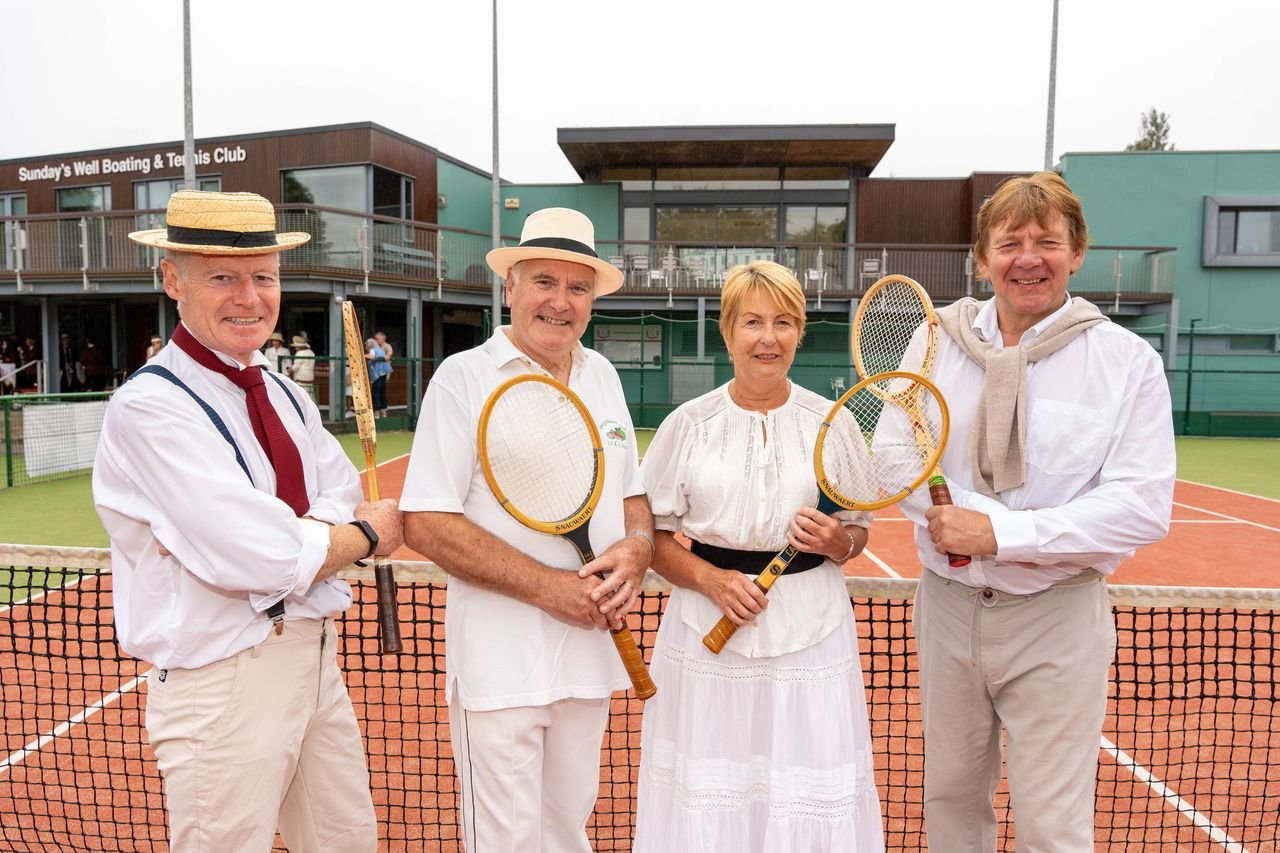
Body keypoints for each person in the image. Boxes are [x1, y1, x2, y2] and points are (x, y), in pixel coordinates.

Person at [93, 189, 403, 852]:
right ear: (172, 279)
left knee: (349, 842)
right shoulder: (148, 407)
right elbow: (258, 555)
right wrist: (367, 535)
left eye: (263, 276)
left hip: (318, 661)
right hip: (224, 681)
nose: (249, 296)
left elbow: (337, 492)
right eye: (223, 277)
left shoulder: (286, 392)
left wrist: (306, 534)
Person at [906, 172, 1175, 852]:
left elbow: (1142, 504)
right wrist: (960, 519)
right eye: (1010, 242)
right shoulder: (932, 341)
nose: (1029, 258)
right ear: (983, 257)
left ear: (1077, 253)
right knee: (951, 804)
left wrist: (1000, 532)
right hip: (947, 608)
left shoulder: (1128, 362)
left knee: (1053, 826)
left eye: (1047, 241)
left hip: (1058, 616)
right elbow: (892, 457)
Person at [399, 207, 654, 853]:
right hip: (500, 663)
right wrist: (549, 588)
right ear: (510, 286)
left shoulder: (604, 374)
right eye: (544, 281)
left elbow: (632, 494)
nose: (560, 302)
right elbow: (426, 521)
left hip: (589, 659)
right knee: (506, 841)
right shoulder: (462, 377)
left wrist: (638, 547)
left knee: (567, 832)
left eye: (578, 287)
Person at [632, 260, 883, 852]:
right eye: (752, 322)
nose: (768, 338)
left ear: (799, 332)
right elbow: (652, 540)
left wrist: (836, 542)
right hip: (706, 631)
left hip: (812, 631)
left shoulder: (834, 423)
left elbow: (858, 531)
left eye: (783, 322)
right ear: (727, 332)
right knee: (710, 786)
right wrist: (712, 581)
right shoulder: (687, 425)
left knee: (803, 789)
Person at [366, 334, 391, 417]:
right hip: (383, 373)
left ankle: (376, 411)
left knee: (375, 393)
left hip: (376, 374)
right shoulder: (381, 350)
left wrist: (363, 355)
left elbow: (371, 357)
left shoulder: (373, 350)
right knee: (382, 392)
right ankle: (383, 411)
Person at [286, 334, 315, 401]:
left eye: (296, 347)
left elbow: (296, 367)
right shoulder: (311, 352)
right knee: (310, 395)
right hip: (310, 376)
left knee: (301, 395)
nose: (295, 348)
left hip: (301, 377)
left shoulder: (299, 353)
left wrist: (290, 369)